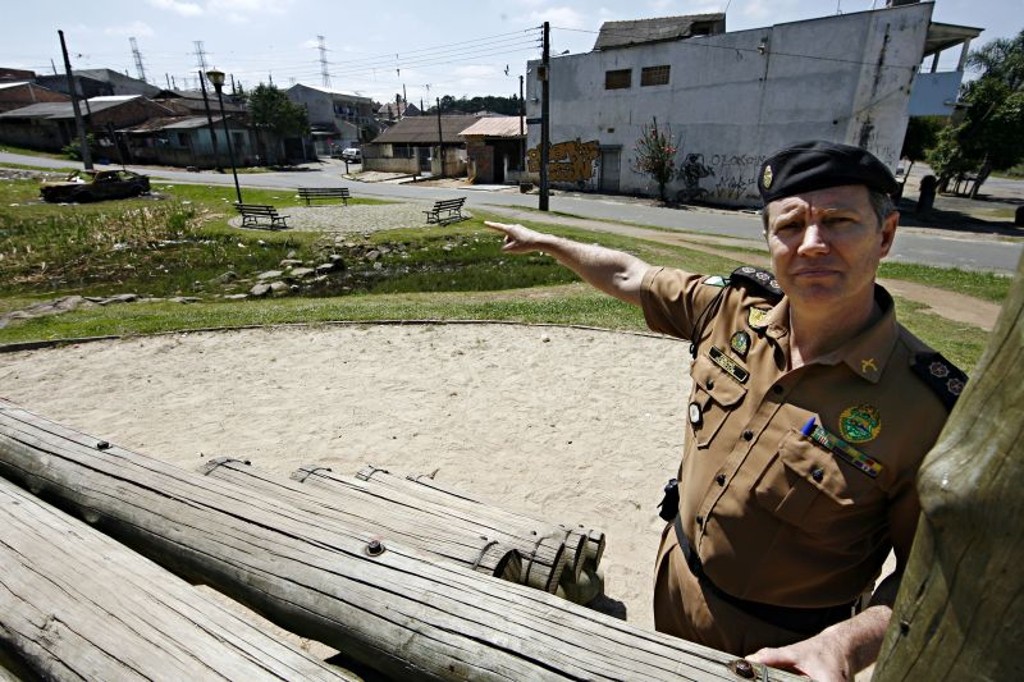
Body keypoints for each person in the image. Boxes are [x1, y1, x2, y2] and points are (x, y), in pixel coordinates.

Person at [485, 140, 967, 681]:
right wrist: (547, 241)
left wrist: (845, 646)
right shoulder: (730, 311)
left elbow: (937, 576)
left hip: (785, 653)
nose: (812, 243)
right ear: (768, 239)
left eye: (838, 221)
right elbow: (628, 274)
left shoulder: (930, 409)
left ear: (885, 235)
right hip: (673, 591)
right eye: (790, 226)